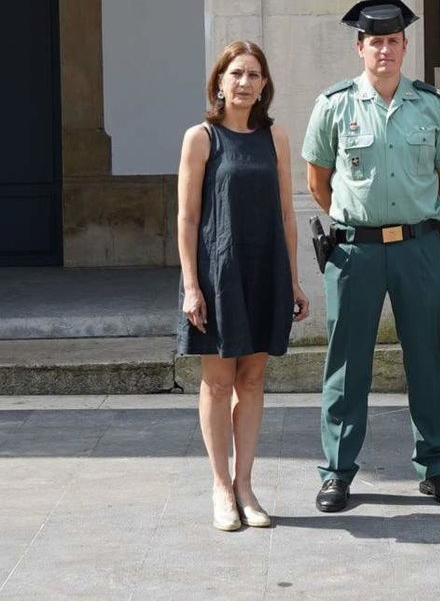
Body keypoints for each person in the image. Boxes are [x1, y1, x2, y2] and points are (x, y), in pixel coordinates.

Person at [301, 0, 440, 513]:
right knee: (347, 365)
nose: (385, 51)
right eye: (375, 42)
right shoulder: (334, 104)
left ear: (404, 46)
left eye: (393, 42)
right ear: (360, 48)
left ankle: (435, 468)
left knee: (424, 359)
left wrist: (419, 220)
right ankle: (337, 472)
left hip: (417, 247)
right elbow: (318, 181)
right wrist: (358, 222)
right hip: (356, 253)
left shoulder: (430, 104)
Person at [177, 40, 310, 531]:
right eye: (236, 73)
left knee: (253, 380)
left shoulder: (274, 137)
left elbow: (286, 215)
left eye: (254, 74)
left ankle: (245, 486)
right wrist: (192, 285)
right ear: (219, 81)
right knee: (217, 380)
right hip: (217, 273)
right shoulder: (201, 137)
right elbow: (187, 217)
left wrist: (293, 281)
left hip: (265, 270)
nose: (245, 82)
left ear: (264, 85)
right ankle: (219, 486)